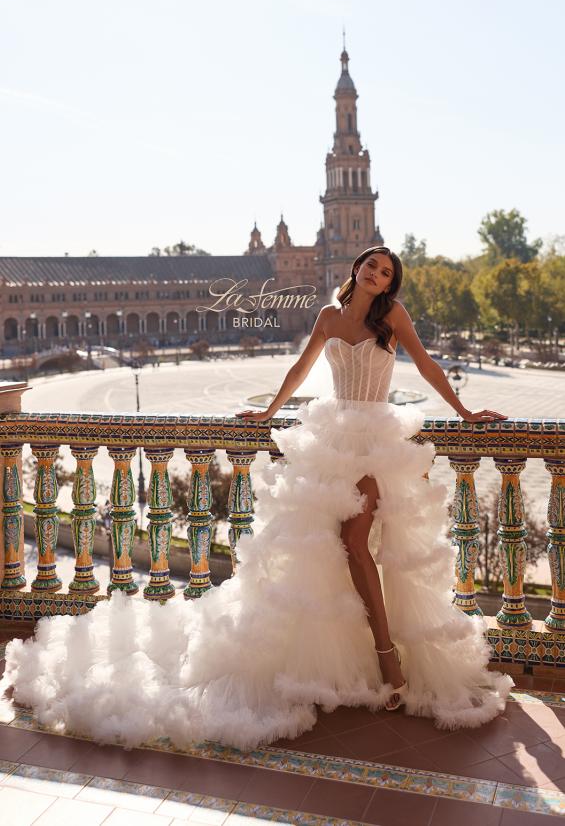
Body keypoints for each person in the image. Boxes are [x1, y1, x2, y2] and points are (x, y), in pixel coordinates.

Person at [0, 246, 513, 752]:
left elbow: (425, 366)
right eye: (372, 267)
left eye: (386, 274)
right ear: (357, 269)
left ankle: (387, 656)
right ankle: (359, 658)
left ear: (388, 284)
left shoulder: (393, 315)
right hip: (333, 440)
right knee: (327, 551)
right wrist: (268, 411)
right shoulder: (329, 317)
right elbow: (301, 369)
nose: (378, 277)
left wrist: (466, 414)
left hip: (377, 440)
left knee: (356, 541)